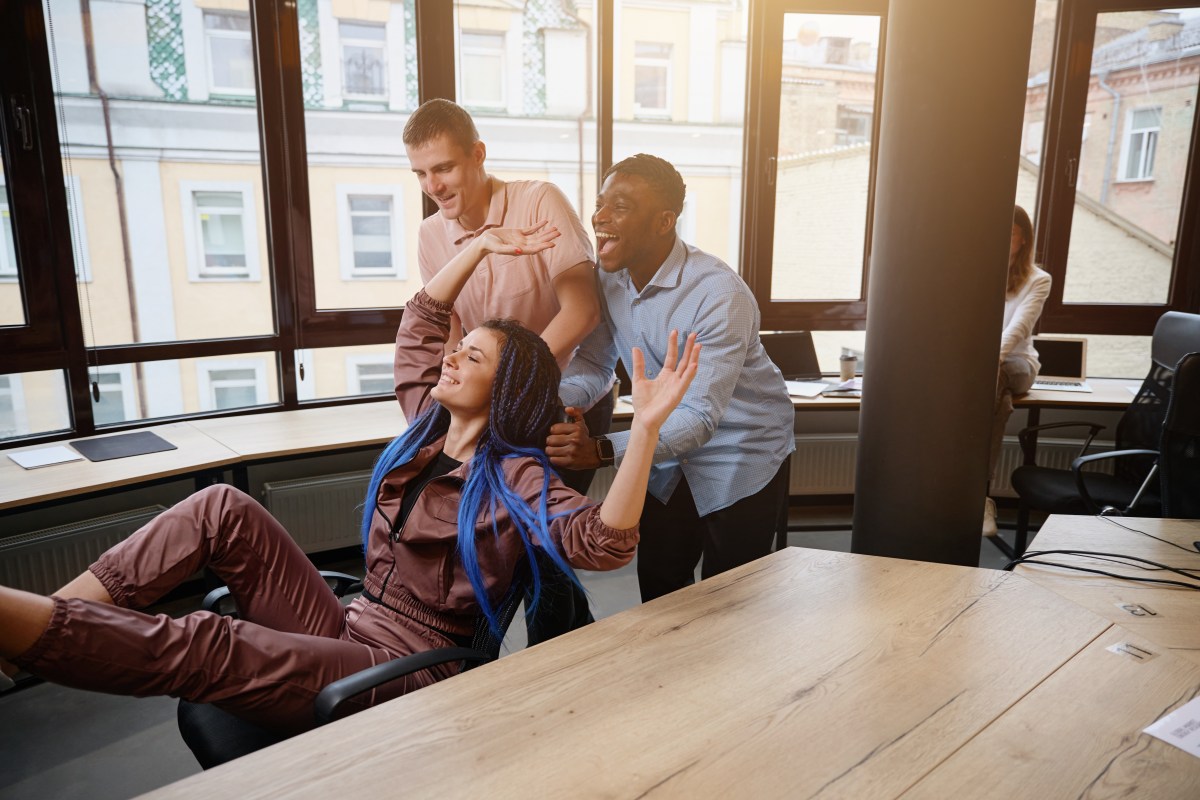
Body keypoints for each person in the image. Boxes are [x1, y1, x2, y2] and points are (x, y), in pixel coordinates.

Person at [0, 222, 700, 734]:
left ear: (506, 389)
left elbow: (606, 544)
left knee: (213, 639)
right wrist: (480, 247)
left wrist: (642, 432)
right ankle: (30, 637)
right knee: (219, 506)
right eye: (459, 348)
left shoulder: (514, 475)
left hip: (411, 664)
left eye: (474, 357)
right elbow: (420, 323)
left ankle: (22, 629)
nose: (451, 357)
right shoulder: (427, 424)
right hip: (351, 620)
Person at [548, 154, 795, 603]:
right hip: (664, 448)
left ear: (664, 221)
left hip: (741, 447)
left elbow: (700, 417)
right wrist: (555, 402)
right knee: (660, 587)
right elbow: (596, 364)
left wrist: (602, 449)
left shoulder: (719, 293)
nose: (600, 218)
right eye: (600, 203)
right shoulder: (610, 281)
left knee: (733, 598)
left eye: (619, 207)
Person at [404, 98, 609, 640]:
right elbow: (446, 333)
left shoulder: (538, 200)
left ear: (477, 154)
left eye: (444, 168)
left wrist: (513, 382)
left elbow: (584, 310)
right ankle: (575, 641)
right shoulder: (431, 237)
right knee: (498, 544)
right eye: (421, 173)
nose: (434, 185)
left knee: (542, 549)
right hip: (489, 403)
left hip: (561, 401)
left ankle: (555, 661)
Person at [983, 204, 1051, 537]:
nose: (1002, 240)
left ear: (1024, 239)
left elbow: (1018, 329)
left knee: (992, 378)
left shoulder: (1038, 280)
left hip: (1019, 363)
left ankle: (980, 494)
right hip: (985, 372)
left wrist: (987, 360)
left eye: (1009, 233)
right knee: (998, 399)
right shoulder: (980, 272)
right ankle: (981, 499)